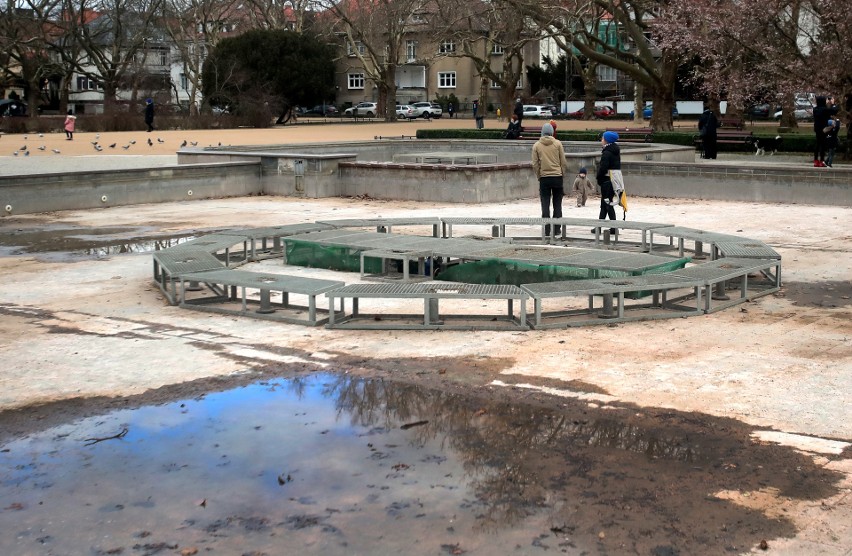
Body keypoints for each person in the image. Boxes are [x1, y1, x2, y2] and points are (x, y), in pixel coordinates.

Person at [531, 123, 568, 236]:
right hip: (557, 177)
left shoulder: (537, 145)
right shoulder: (558, 144)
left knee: (545, 204)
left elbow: (535, 164)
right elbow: (563, 162)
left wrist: (539, 175)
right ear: (552, 132)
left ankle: (546, 229)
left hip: (544, 178)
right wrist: (562, 174)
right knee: (557, 204)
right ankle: (557, 228)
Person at [596, 131, 621, 235]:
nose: (601, 140)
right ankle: (599, 227)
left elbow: (603, 167)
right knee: (605, 203)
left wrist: (598, 177)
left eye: (602, 138)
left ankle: (613, 227)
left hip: (606, 181)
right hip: (613, 180)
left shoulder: (607, 152)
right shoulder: (615, 150)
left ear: (606, 140)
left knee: (607, 204)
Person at [812, 95, 838, 167]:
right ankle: (821, 161)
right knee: (822, 145)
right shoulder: (825, 109)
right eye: (826, 100)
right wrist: (833, 103)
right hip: (824, 129)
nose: (827, 101)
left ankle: (816, 161)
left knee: (817, 144)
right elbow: (835, 110)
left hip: (817, 129)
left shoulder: (815, 109)